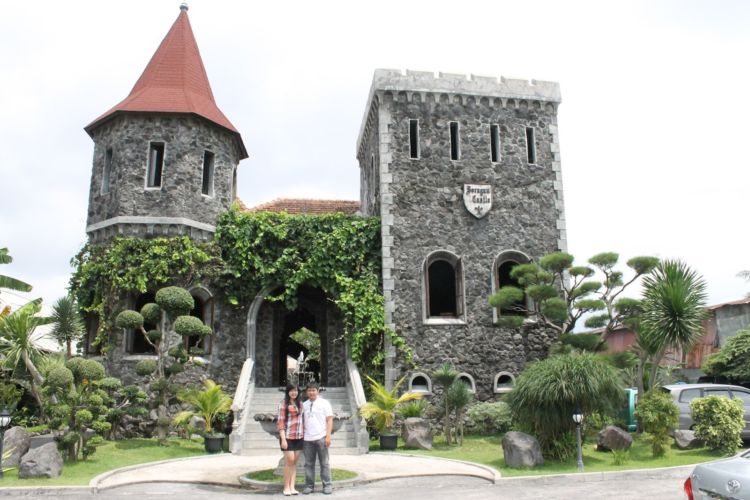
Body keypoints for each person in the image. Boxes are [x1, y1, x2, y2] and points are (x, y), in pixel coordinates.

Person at [302, 382, 333, 495]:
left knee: (324, 463)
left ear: (318, 391)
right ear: (306, 392)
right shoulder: (304, 405)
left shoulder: (325, 403)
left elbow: (329, 419)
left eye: (313, 390)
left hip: (321, 437)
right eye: (309, 390)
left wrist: (328, 436)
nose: (311, 392)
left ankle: (327, 485)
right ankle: (309, 486)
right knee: (309, 464)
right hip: (307, 439)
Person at [277, 384, 304, 496]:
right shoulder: (283, 404)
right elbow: (281, 423)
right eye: (292, 391)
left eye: (296, 391)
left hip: (299, 437)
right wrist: (283, 439)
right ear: (288, 392)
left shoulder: (300, 404)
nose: (294, 393)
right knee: (289, 462)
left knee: (294, 463)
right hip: (287, 437)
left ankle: (293, 487)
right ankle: (286, 487)